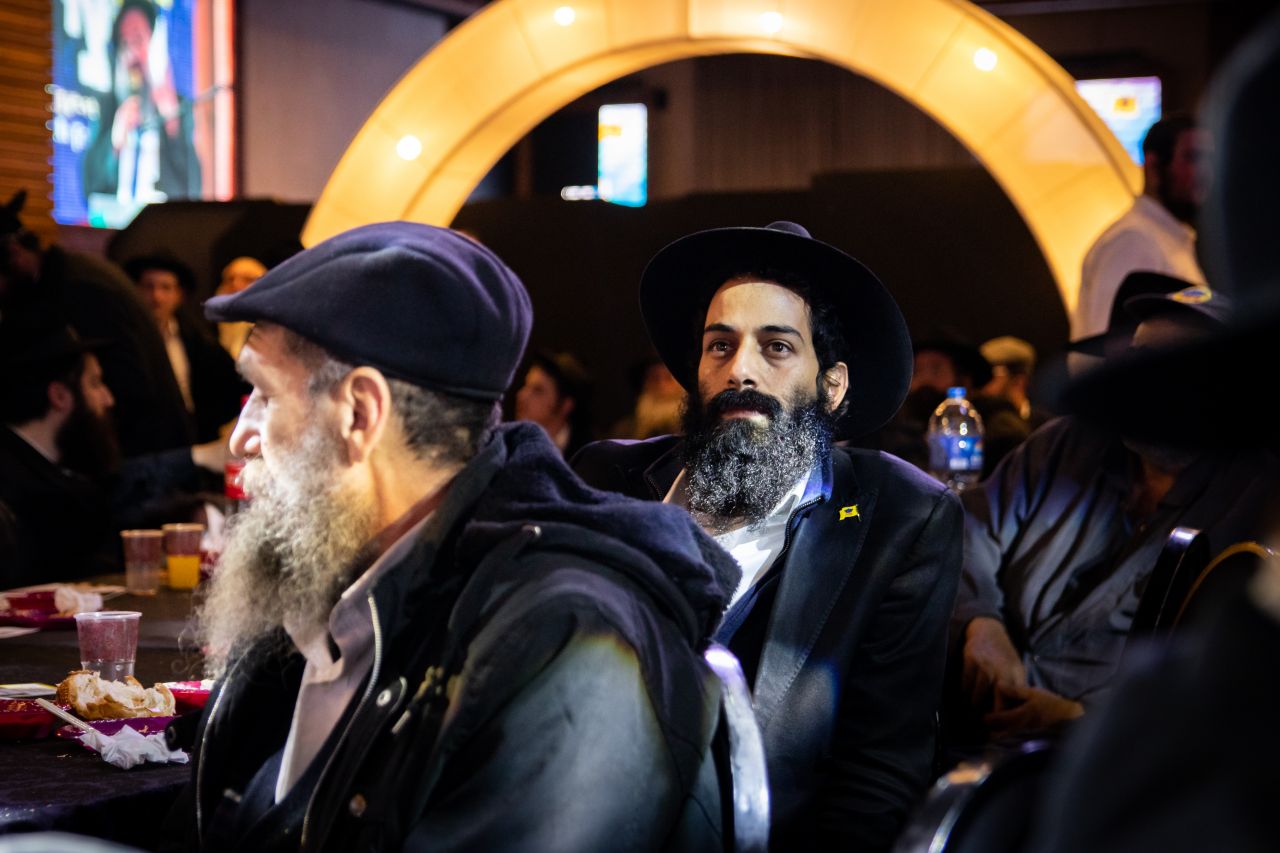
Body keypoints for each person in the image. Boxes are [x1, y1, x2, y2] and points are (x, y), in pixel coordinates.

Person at [168, 222, 742, 852]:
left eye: (264, 394)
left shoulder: (566, 646)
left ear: (360, 414)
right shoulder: (348, 583)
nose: (241, 438)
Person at [574, 221, 963, 851]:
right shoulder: (605, 478)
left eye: (776, 347)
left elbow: (878, 779)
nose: (740, 371)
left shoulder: (902, 519)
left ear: (831, 387)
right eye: (720, 346)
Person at [954, 285, 1280, 740]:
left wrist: (1081, 721)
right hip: (971, 715)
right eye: (1142, 361)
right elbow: (968, 529)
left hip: (1114, 755)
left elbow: (1233, 680)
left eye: (1180, 371)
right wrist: (980, 621)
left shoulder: (1259, 500)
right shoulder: (1066, 444)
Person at [0, 313, 220, 588]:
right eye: (95, 383)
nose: (108, 398)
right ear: (59, 396)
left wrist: (189, 508)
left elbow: (117, 494)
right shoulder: (13, 484)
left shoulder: (62, 467)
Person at [0, 189, 194, 455]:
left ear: (15, 254)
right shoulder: (70, 275)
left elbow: (128, 387)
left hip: (144, 457)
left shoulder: (78, 288)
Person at [1073, 114, 1210, 342]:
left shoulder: (1169, 237)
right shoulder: (1133, 241)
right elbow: (1110, 347)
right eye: (1192, 157)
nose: (1205, 172)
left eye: (1209, 159)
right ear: (1153, 166)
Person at [81, 0, 201, 214]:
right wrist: (114, 142)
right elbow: (90, 187)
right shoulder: (108, 106)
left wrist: (172, 123)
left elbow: (194, 186)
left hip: (164, 220)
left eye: (138, 39)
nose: (132, 52)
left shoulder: (179, 106)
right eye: (124, 42)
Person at [124, 254, 244, 442]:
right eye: (148, 287)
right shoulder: (127, 340)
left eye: (166, 288)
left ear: (179, 295)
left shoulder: (197, 338)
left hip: (189, 437)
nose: (156, 296)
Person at [512, 350, 593, 457]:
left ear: (565, 405)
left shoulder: (585, 456)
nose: (522, 395)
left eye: (537, 391)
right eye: (526, 385)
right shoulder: (507, 444)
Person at [214, 256, 267, 358]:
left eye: (248, 279)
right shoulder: (211, 330)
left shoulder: (276, 330)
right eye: (230, 279)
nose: (236, 284)